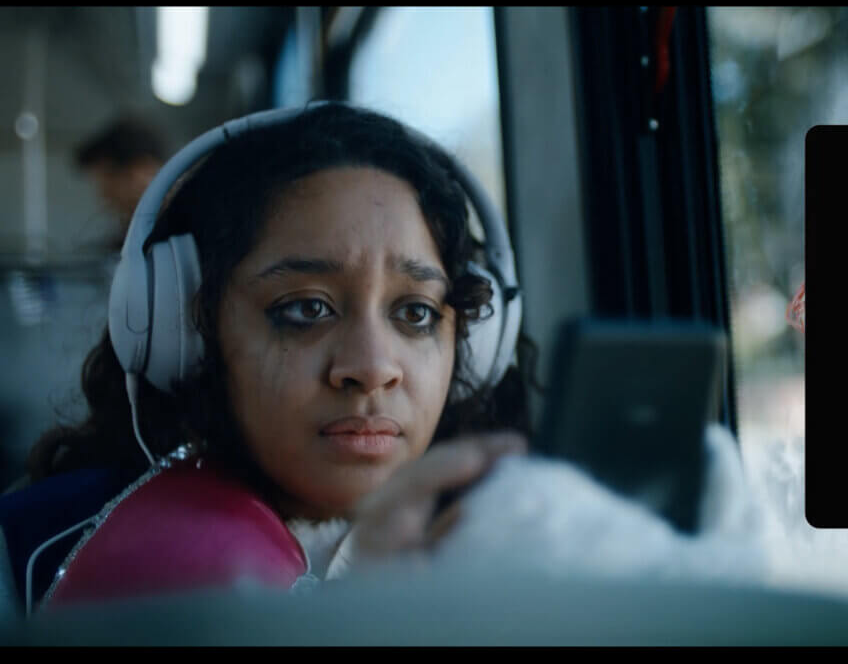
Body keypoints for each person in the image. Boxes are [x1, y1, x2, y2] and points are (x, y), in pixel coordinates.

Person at [0, 103, 534, 614]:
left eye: (416, 314)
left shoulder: (524, 543)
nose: (372, 367)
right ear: (189, 329)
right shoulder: (29, 553)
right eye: (306, 308)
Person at [74, 117, 169, 249]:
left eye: (108, 179)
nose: (104, 195)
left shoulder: (187, 228)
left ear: (142, 169)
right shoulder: (132, 237)